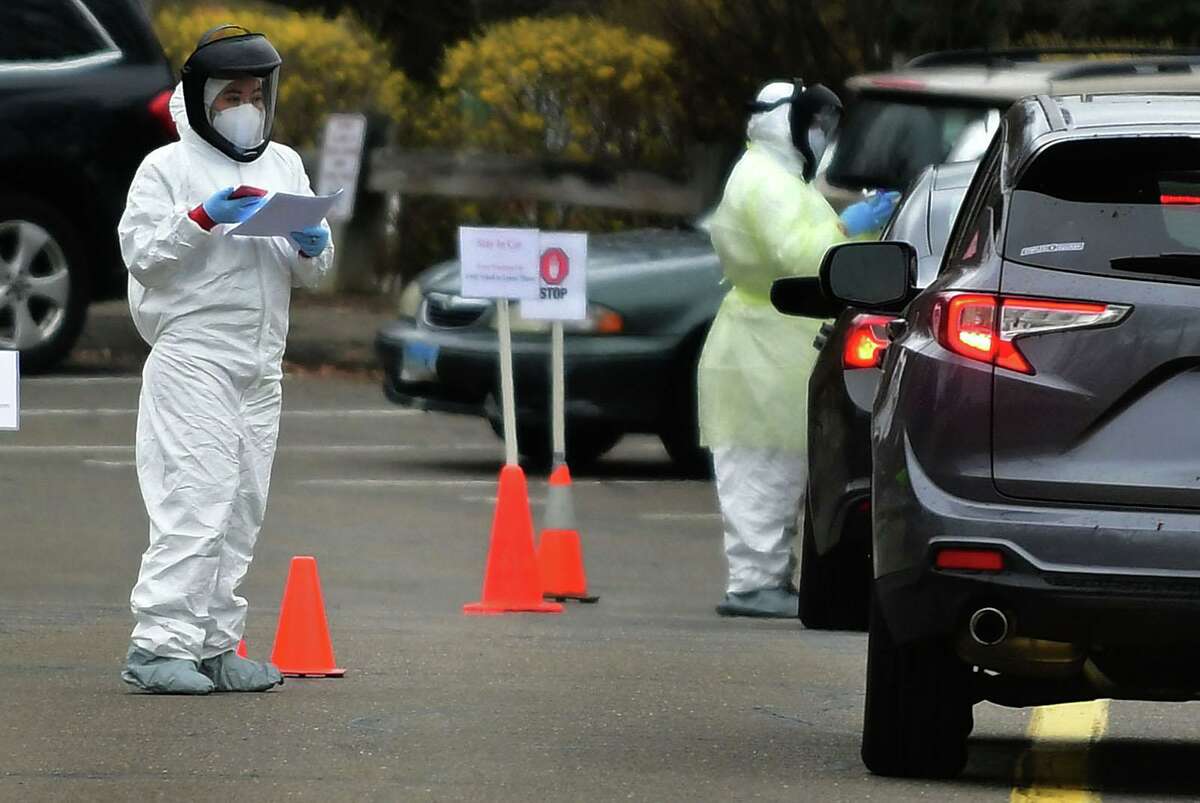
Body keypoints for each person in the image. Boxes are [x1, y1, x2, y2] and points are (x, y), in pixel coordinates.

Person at [118, 25, 334, 693]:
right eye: (229, 94)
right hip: (194, 357)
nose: (244, 105)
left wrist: (312, 241)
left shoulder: (284, 164)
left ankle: (213, 644)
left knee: (241, 505)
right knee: (196, 498)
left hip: (260, 364)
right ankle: (158, 645)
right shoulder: (167, 168)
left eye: (255, 92)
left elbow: (316, 275)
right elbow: (142, 258)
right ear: (201, 98)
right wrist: (202, 217)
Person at [699, 80, 897, 618]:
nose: (821, 136)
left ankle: (767, 578)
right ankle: (754, 583)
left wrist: (850, 231)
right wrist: (846, 226)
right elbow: (803, 256)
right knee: (759, 469)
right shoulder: (765, 181)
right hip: (760, 345)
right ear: (782, 122)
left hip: (773, 342)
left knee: (779, 468)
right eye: (813, 124)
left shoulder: (782, 177)